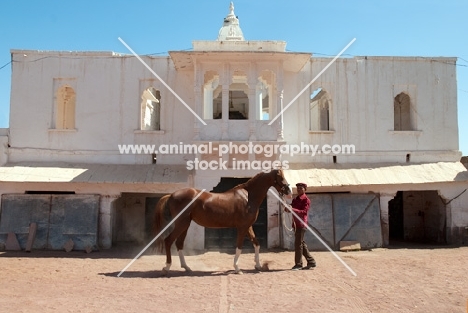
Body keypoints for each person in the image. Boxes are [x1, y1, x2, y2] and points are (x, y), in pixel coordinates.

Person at [285, 182, 316, 270]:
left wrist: (292, 209)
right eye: (298, 189)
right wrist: (287, 208)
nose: (299, 190)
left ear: (304, 190)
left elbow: (304, 212)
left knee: (298, 244)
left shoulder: (306, 200)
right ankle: (311, 261)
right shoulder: (295, 200)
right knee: (301, 243)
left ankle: (298, 264)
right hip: (295, 224)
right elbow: (292, 208)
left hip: (301, 224)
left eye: (301, 188)